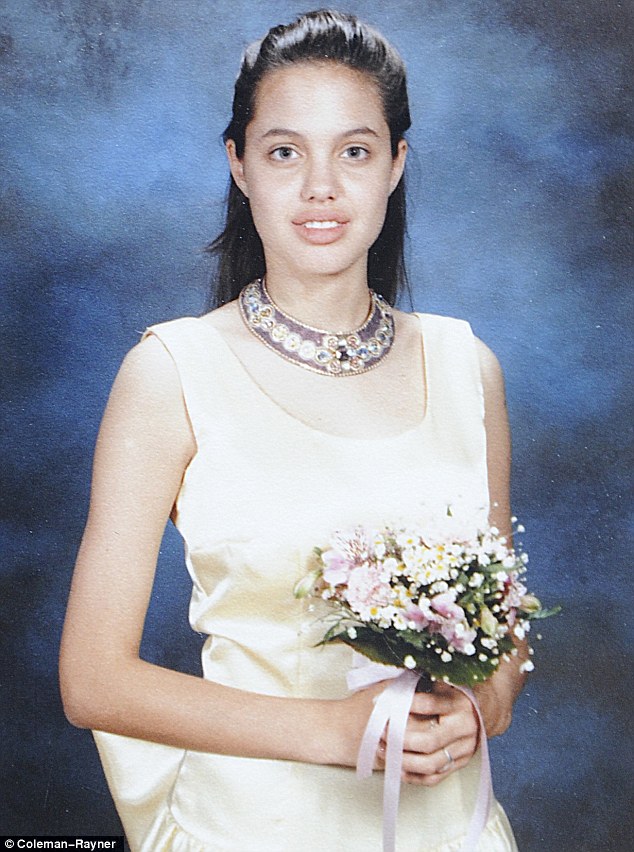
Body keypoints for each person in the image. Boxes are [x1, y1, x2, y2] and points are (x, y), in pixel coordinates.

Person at [60, 10, 528, 851]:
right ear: (239, 166)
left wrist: (478, 706)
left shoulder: (468, 367)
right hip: (253, 829)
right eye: (285, 151)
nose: (321, 187)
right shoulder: (171, 373)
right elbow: (93, 680)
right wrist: (334, 732)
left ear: (396, 166)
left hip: (450, 828)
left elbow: (501, 628)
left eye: (354, 150)